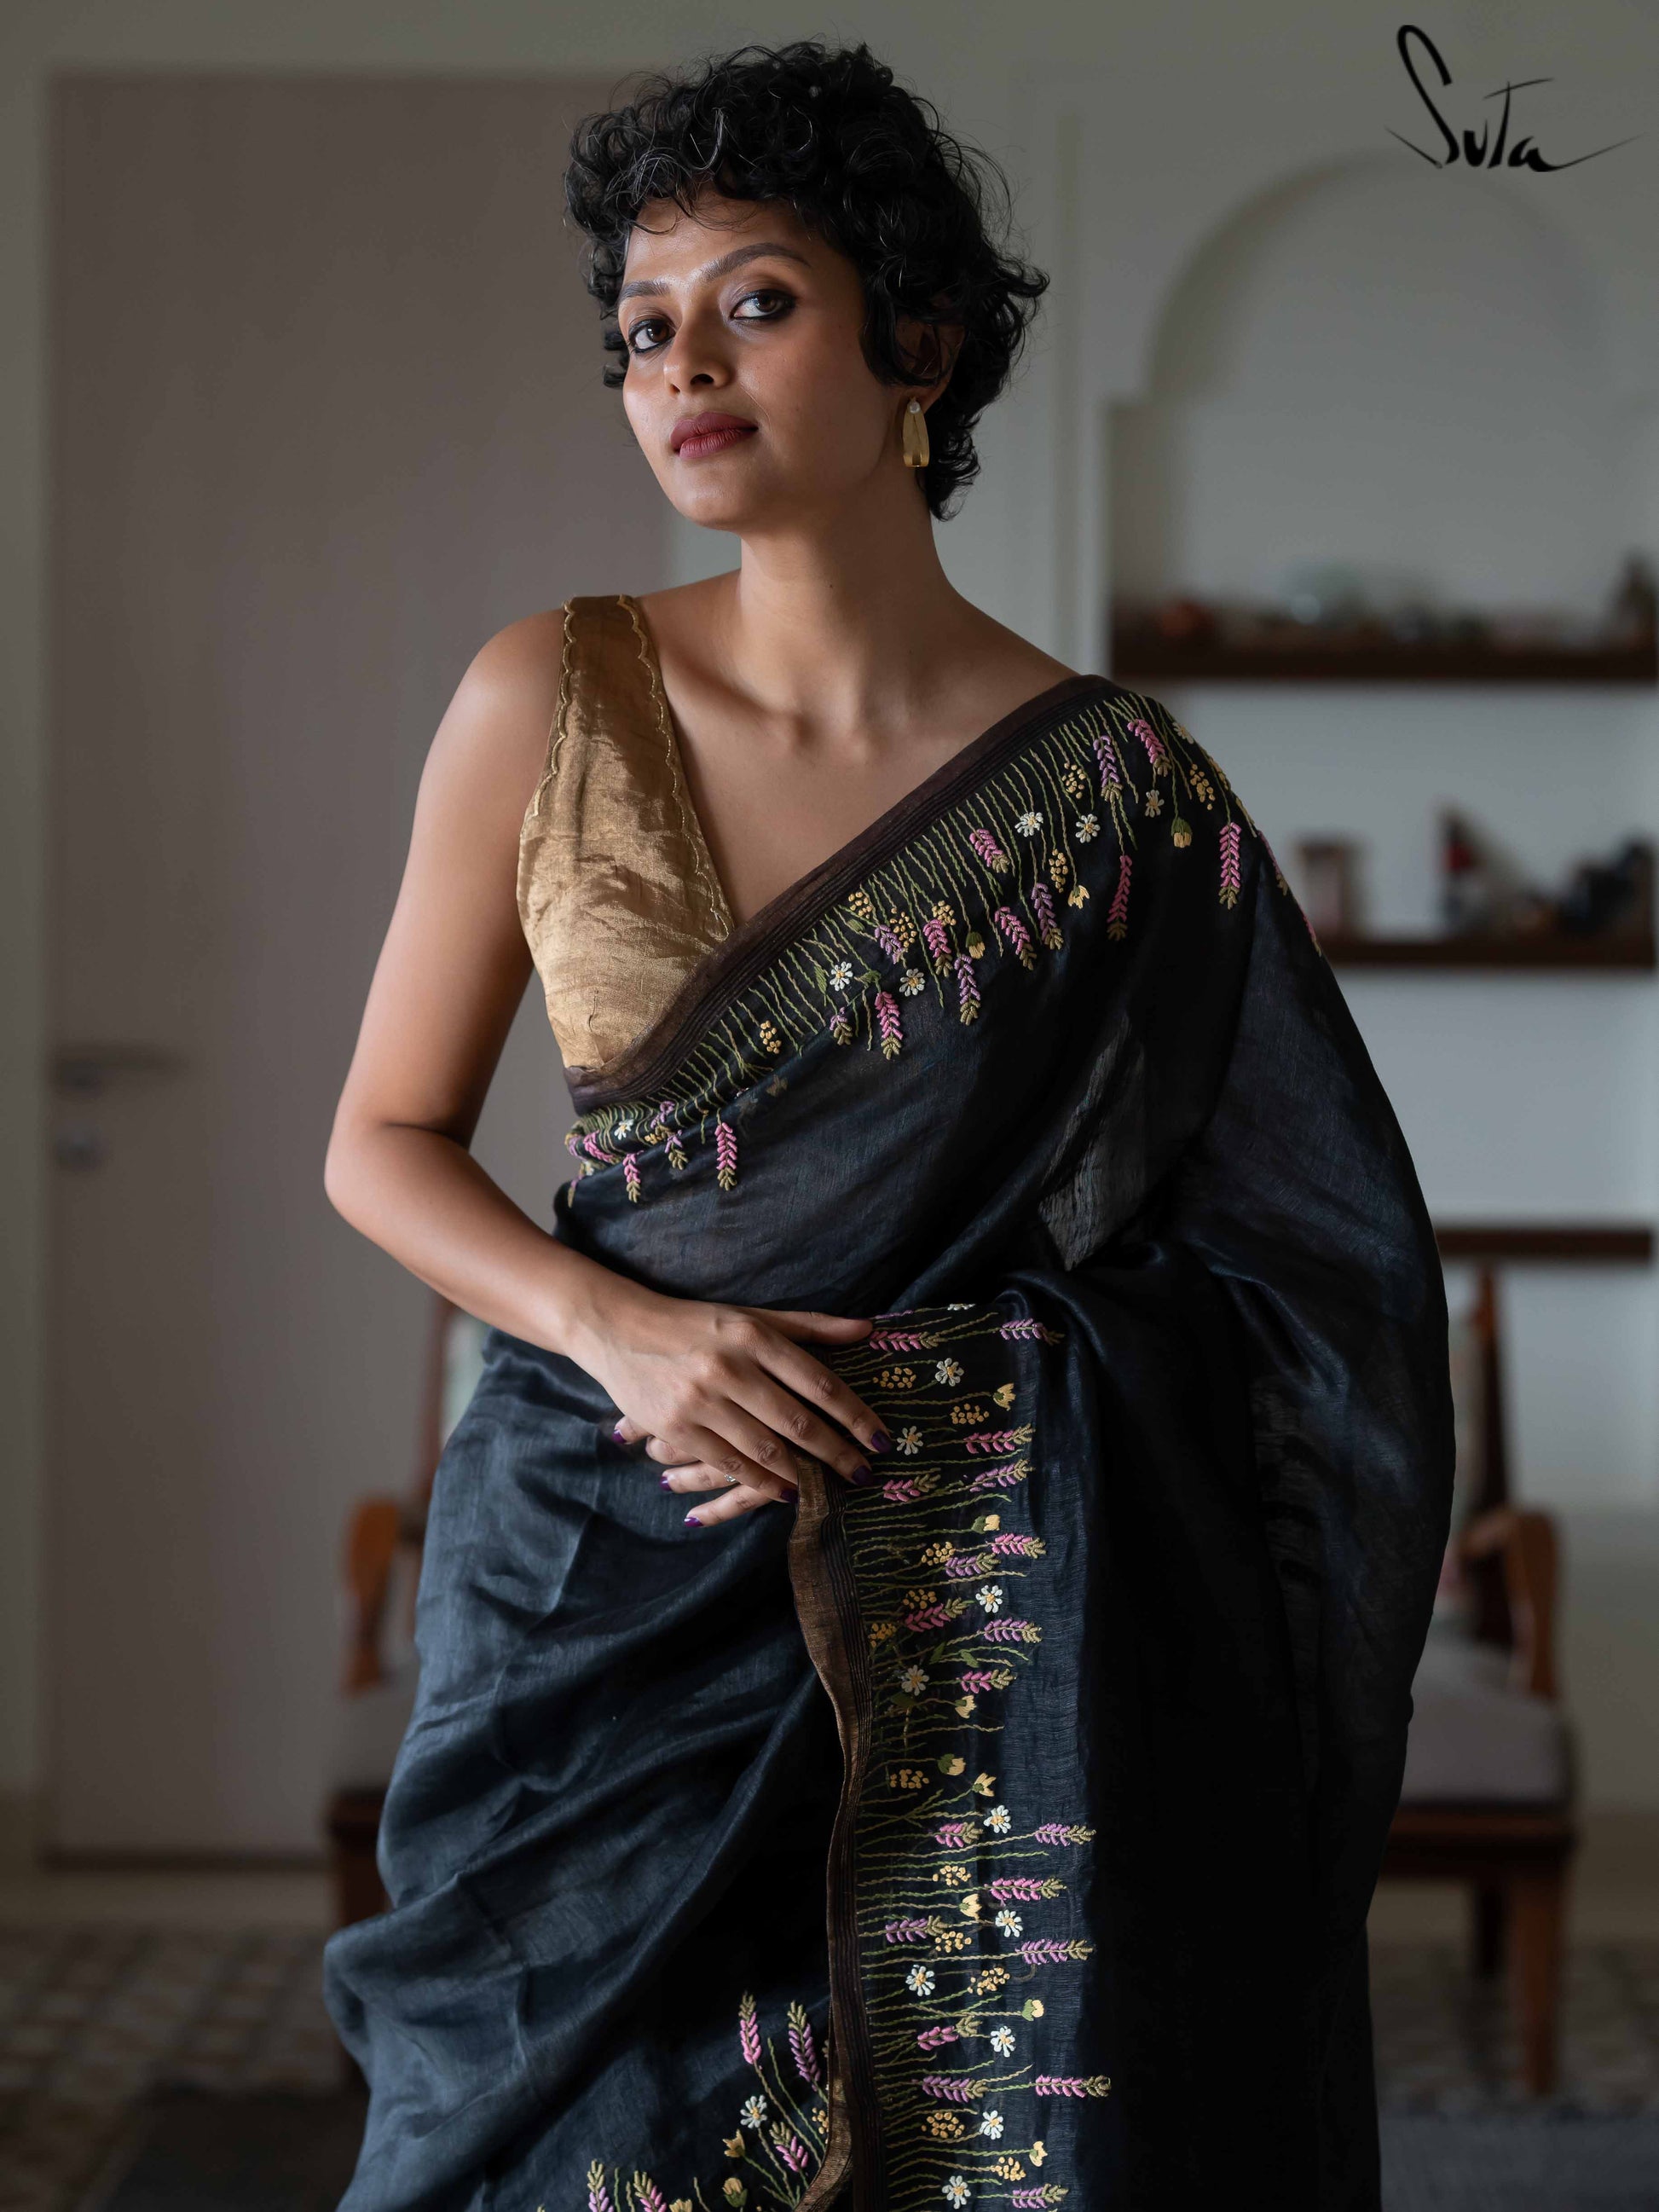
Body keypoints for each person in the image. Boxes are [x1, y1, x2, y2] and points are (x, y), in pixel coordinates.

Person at [321, 39, 1454, 2212]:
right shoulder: (546, 695)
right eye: (642, 327)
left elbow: (1315, 1269)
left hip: (982, 1623)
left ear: (915, 343)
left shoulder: (1114, 797)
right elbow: (380, 1137)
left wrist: (971, 1402)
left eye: (754, 301)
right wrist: (628, 1333)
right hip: (602, 1564)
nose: (681, 365)